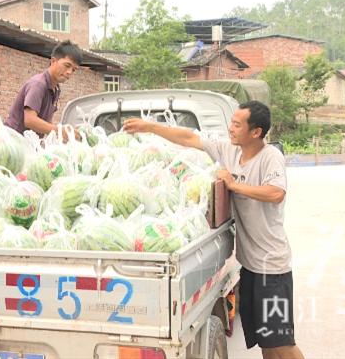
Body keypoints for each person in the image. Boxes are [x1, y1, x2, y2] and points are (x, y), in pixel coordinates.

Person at [123, 101, 304, 359]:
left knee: (282, 342)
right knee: (266, 340)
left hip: (272, 267)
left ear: (256, 132)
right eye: (231, 122)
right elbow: (189, 138)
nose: (231, 128)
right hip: (251, 266)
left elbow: (276, 193)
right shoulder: (229, 150)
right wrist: (150, 126)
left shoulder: (270, 157)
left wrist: (233, 185)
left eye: (237, 124)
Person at [5, 40, 82, 136]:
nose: (69, 72)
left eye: (73, 70)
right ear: (53, 61)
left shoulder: (55, 89)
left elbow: (46, 122)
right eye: (67, 66)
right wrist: (60, 131)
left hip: (30, 144)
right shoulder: (38, 84)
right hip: (12, 142)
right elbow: (30, 120)